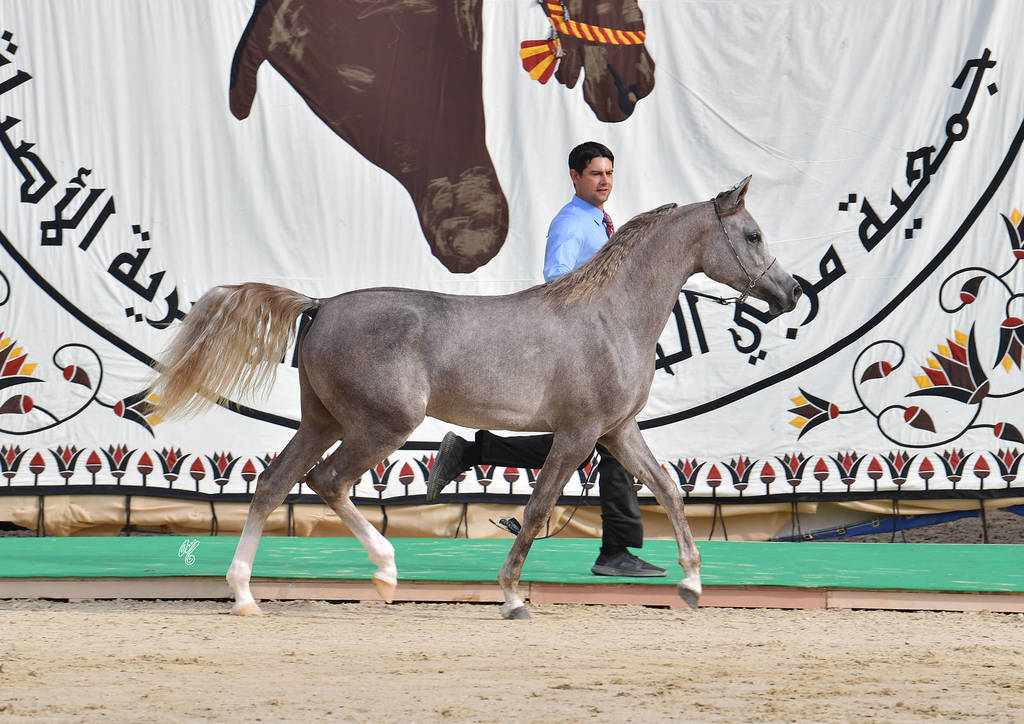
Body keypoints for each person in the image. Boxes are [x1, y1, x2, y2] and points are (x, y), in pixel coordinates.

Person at [426, 141, 665, 578]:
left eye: (609, 172)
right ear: (575, 176)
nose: (605, 181)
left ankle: (472, 452)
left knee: (586, 442)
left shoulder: (598, 222)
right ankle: (615, 551)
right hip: (578, 353)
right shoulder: (572, 223)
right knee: (604, 446)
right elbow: (556, 281)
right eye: (595, 173)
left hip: (598, 352)